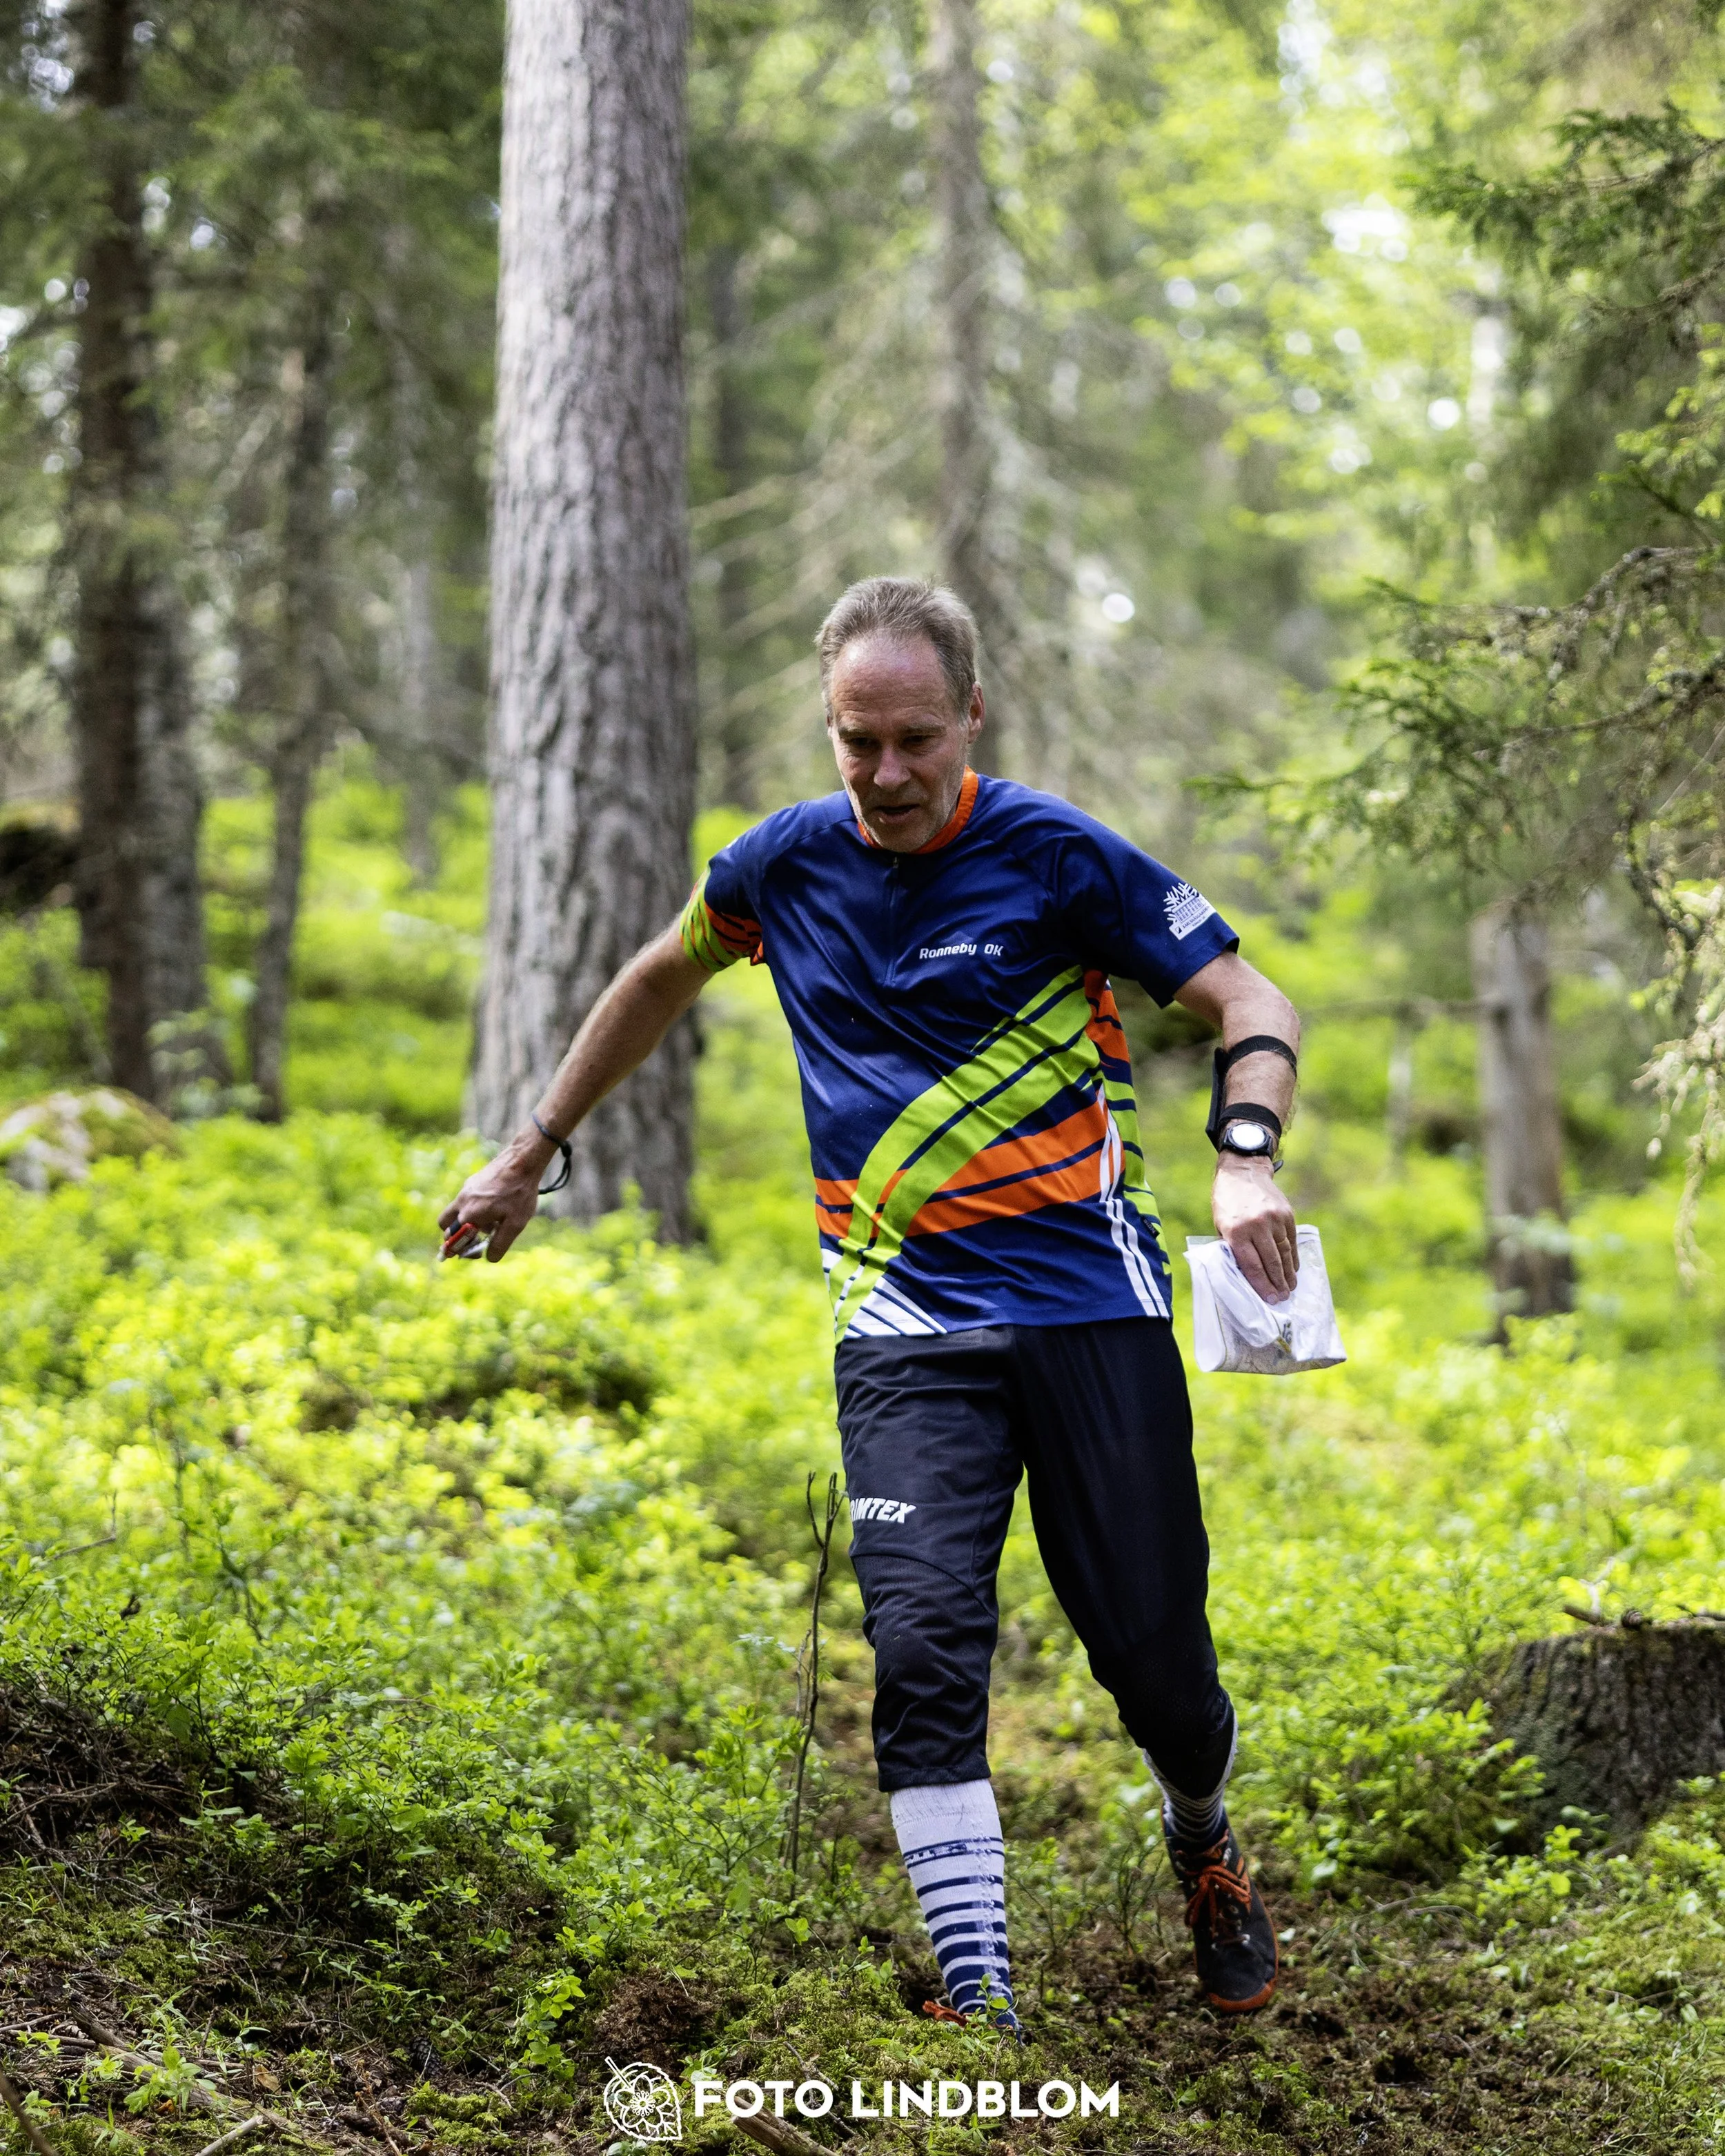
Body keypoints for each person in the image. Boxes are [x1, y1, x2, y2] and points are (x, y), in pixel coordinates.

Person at [440, 576, 1301, 2029]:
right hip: (901, 1325)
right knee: (917, 1646)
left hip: (1090, 1301)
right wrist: (535, 1146)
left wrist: (1243, 1160)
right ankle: (981, 1996)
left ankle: (1200, 1831)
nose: (888, 774)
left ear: (970, 713)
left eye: (914, 738)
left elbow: (1248, 998)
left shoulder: (1055, 855)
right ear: (825, 727)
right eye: (857, 741)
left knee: (1154, 1655)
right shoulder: (776, 868)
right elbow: (658, 973)